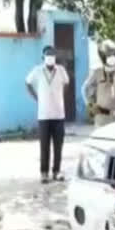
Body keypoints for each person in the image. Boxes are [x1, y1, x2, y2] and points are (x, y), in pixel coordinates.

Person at [27, 46, 70, 184]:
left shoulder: (61, 70)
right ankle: (44, 173)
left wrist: (61, 96)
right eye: (47, 55)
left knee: (58, 145)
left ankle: (56, 171)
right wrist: (37, 97)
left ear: (55, 57)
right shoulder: (37, 71)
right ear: (43, 57)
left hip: (59, 114)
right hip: (44, 115)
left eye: (52, 55)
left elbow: (67, 83)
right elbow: (27, 83)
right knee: (44, 145)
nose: (50, 57)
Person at [81, 39, 115, 128]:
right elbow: (84, 88)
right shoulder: (97, 73)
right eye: (109, 55)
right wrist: (89, 105)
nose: (112, 58)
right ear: (103, 57)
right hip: (102, 118)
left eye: (114, 55)